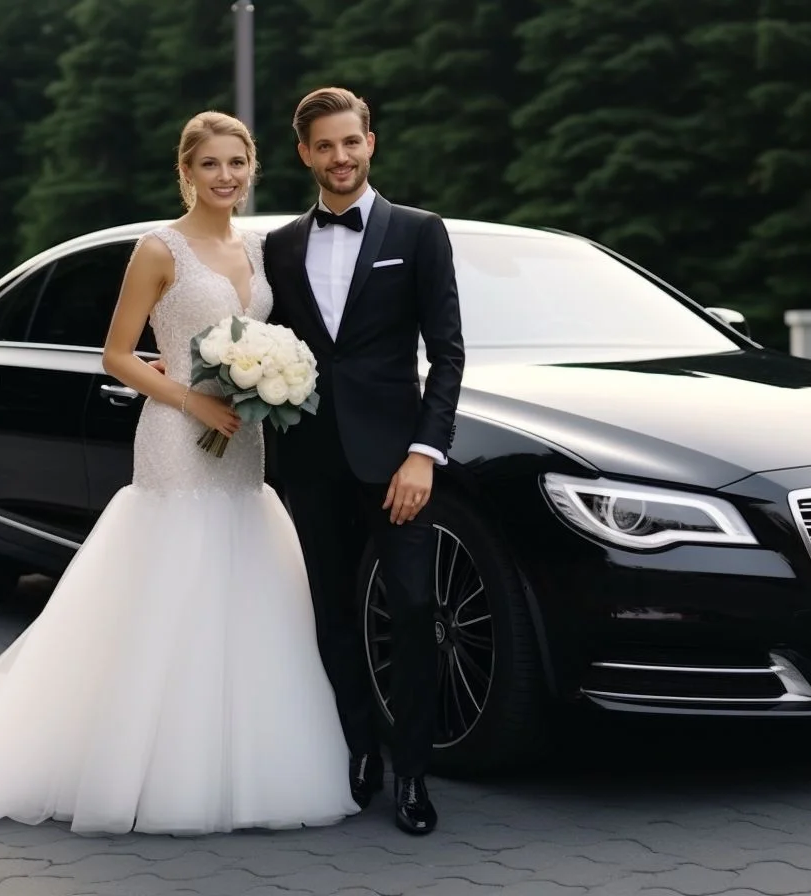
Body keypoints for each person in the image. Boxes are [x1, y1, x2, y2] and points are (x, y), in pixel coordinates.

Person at [0, 111, 358, 859]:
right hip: (177, 439)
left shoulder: (254, 249)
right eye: (210, 164)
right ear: (185, 171)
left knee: (244, 591)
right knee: (175, 590)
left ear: (254, 168)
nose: (225, 176)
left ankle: (246, 761)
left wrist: (273, 388)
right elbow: (118, 355)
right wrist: (192, 400)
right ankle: (155, 767)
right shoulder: (159, 249)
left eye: (237, 163)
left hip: (243, 450)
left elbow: (276, 342)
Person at [263, 87, 466, 836]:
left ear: (370, 143)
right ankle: (358, 757)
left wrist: (423, 455)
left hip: (396, 465)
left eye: (351, 142)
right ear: (305, 154)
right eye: (325, 146)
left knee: (414, 613)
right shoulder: (280, 247)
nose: (340, 157)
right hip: (310, 462)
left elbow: (446, 356)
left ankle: (413, 771)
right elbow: (266, 347)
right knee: (333, 617)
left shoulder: (420, 232)